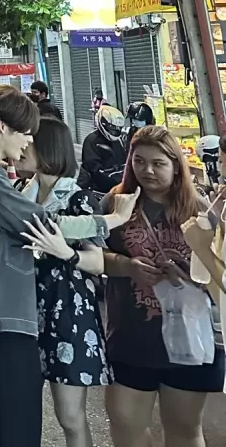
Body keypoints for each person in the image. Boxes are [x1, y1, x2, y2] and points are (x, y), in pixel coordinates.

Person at [0, 85, 139, 447]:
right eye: (25, 132)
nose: (28, 141)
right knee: (8, 429)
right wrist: (109, 221)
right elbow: (44, 223)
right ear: (3, 126)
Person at [102, 125, 224, 447]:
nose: (147, 171)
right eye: (139, 162)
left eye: (158, 163)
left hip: (190, 340)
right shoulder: (115, 204)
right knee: (126, 427)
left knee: (184, 431)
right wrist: (127, 266)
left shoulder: (201, 211)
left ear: (176, 164)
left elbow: (220, 278)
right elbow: (92, 257)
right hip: (132, 338)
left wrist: (188, 274)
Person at [21, 117, 109, 447]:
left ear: (46, 149)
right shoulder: (20, 193)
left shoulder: (78, 199)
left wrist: (65, 253)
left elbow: (98, 261)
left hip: (69, 314)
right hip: (26, 311)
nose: (20, 147)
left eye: (27, 141)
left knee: (70, 416)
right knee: (24, 408)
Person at [78, 104, 127, 194]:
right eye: (112, 127)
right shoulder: (92, 140)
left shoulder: (118, 141)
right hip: (98, 190)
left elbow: (123, 161)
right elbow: (94, 169)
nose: (115, 131)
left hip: (117, 186)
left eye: (118, 128)